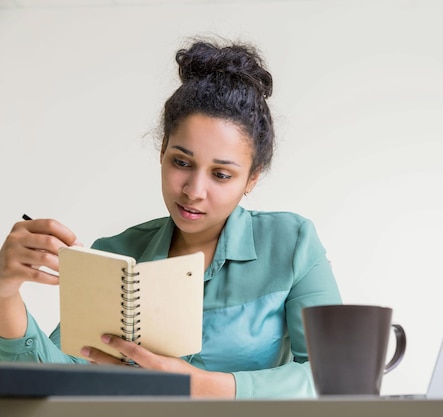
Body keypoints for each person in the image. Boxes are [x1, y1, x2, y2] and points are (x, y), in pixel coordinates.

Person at [0, 37, 342, 399]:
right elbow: (58, 382)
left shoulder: (292, 243)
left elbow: (334, 378)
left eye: (221, 174)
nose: (194, 190)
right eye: (181, 162)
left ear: (252, 178)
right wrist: (5, 295)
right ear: (162, 151)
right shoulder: (116, 254)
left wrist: (199, 385)